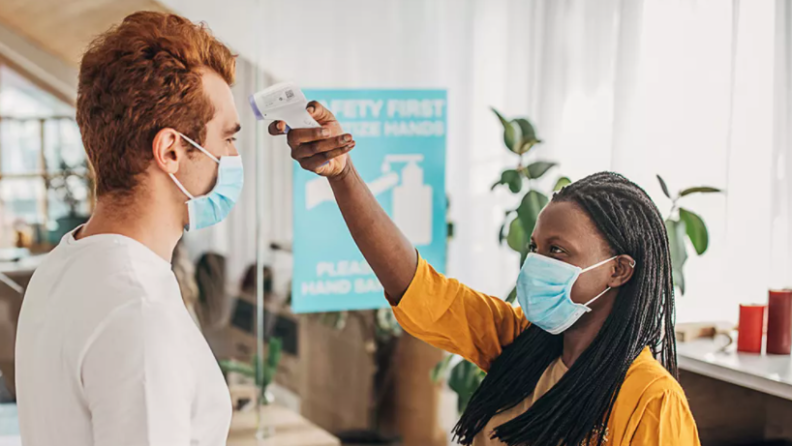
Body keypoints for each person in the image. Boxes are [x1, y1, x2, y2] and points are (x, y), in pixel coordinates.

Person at [270, 103, 700, 446]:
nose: (536, 262)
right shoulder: (519, 343)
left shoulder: (652, 401)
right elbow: (416, 286)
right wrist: (343, 174)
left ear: (619, 271)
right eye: (535, 247)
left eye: (557, 251)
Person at [15, 12, 241, 446]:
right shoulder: (139, 310)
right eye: (227, 139)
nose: (233, 156)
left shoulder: (61, 266)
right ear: (171, 150)